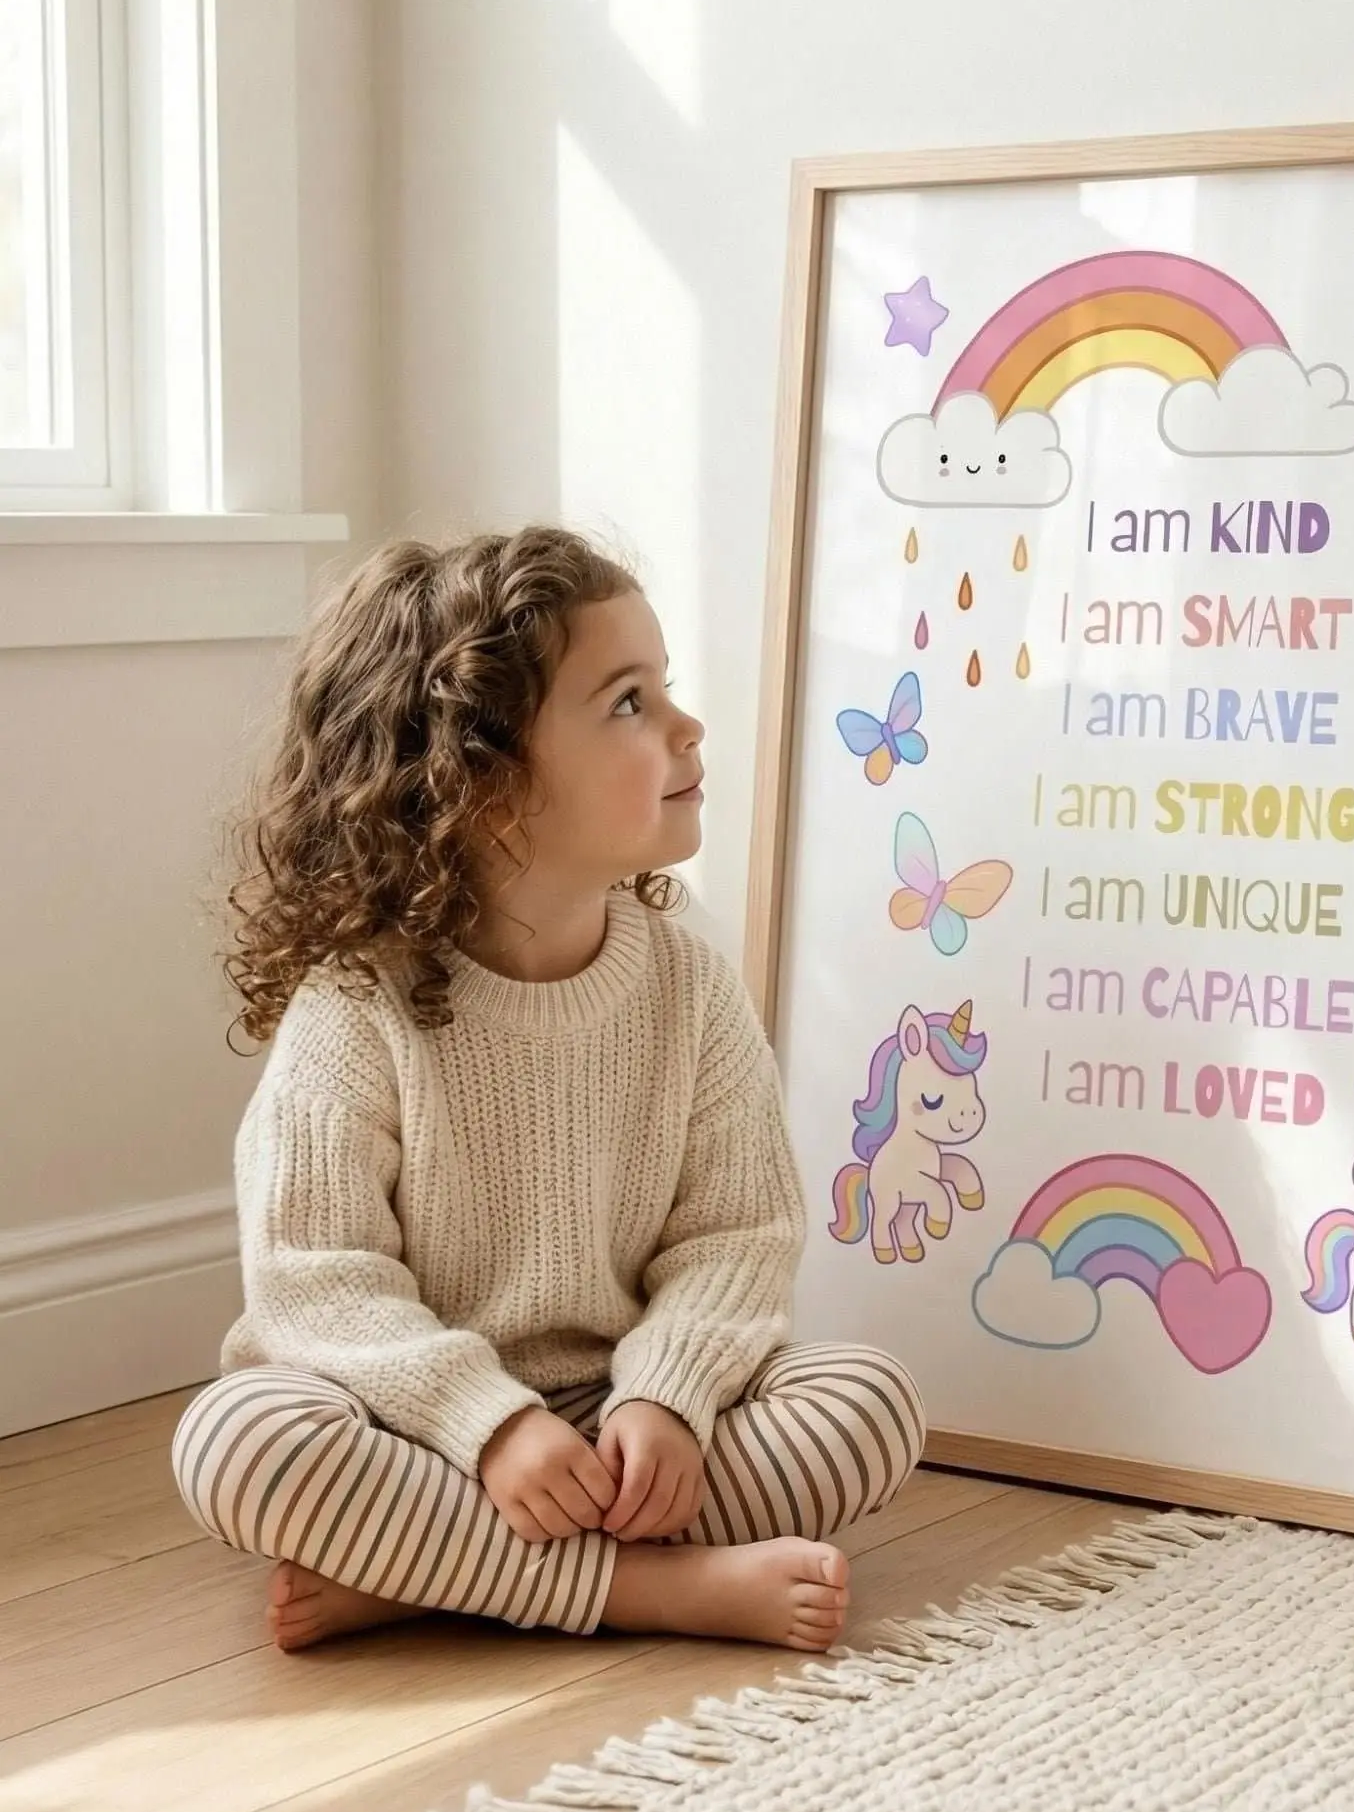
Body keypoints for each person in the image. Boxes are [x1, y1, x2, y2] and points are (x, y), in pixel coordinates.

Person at [171, 525, 923, 1653]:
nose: (686, 726)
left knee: (866, 1405)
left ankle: (430, 1570)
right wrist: (487, 1426)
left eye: (664, 687)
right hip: (408, 1419)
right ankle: (651, 1588)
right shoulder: (356, 1004)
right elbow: (316, 1284)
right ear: (478, 781)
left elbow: (738, 1236)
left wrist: (667, 1394)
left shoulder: (689, 986)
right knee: (241, 1445)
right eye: (628, 702)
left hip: (622, 1419)